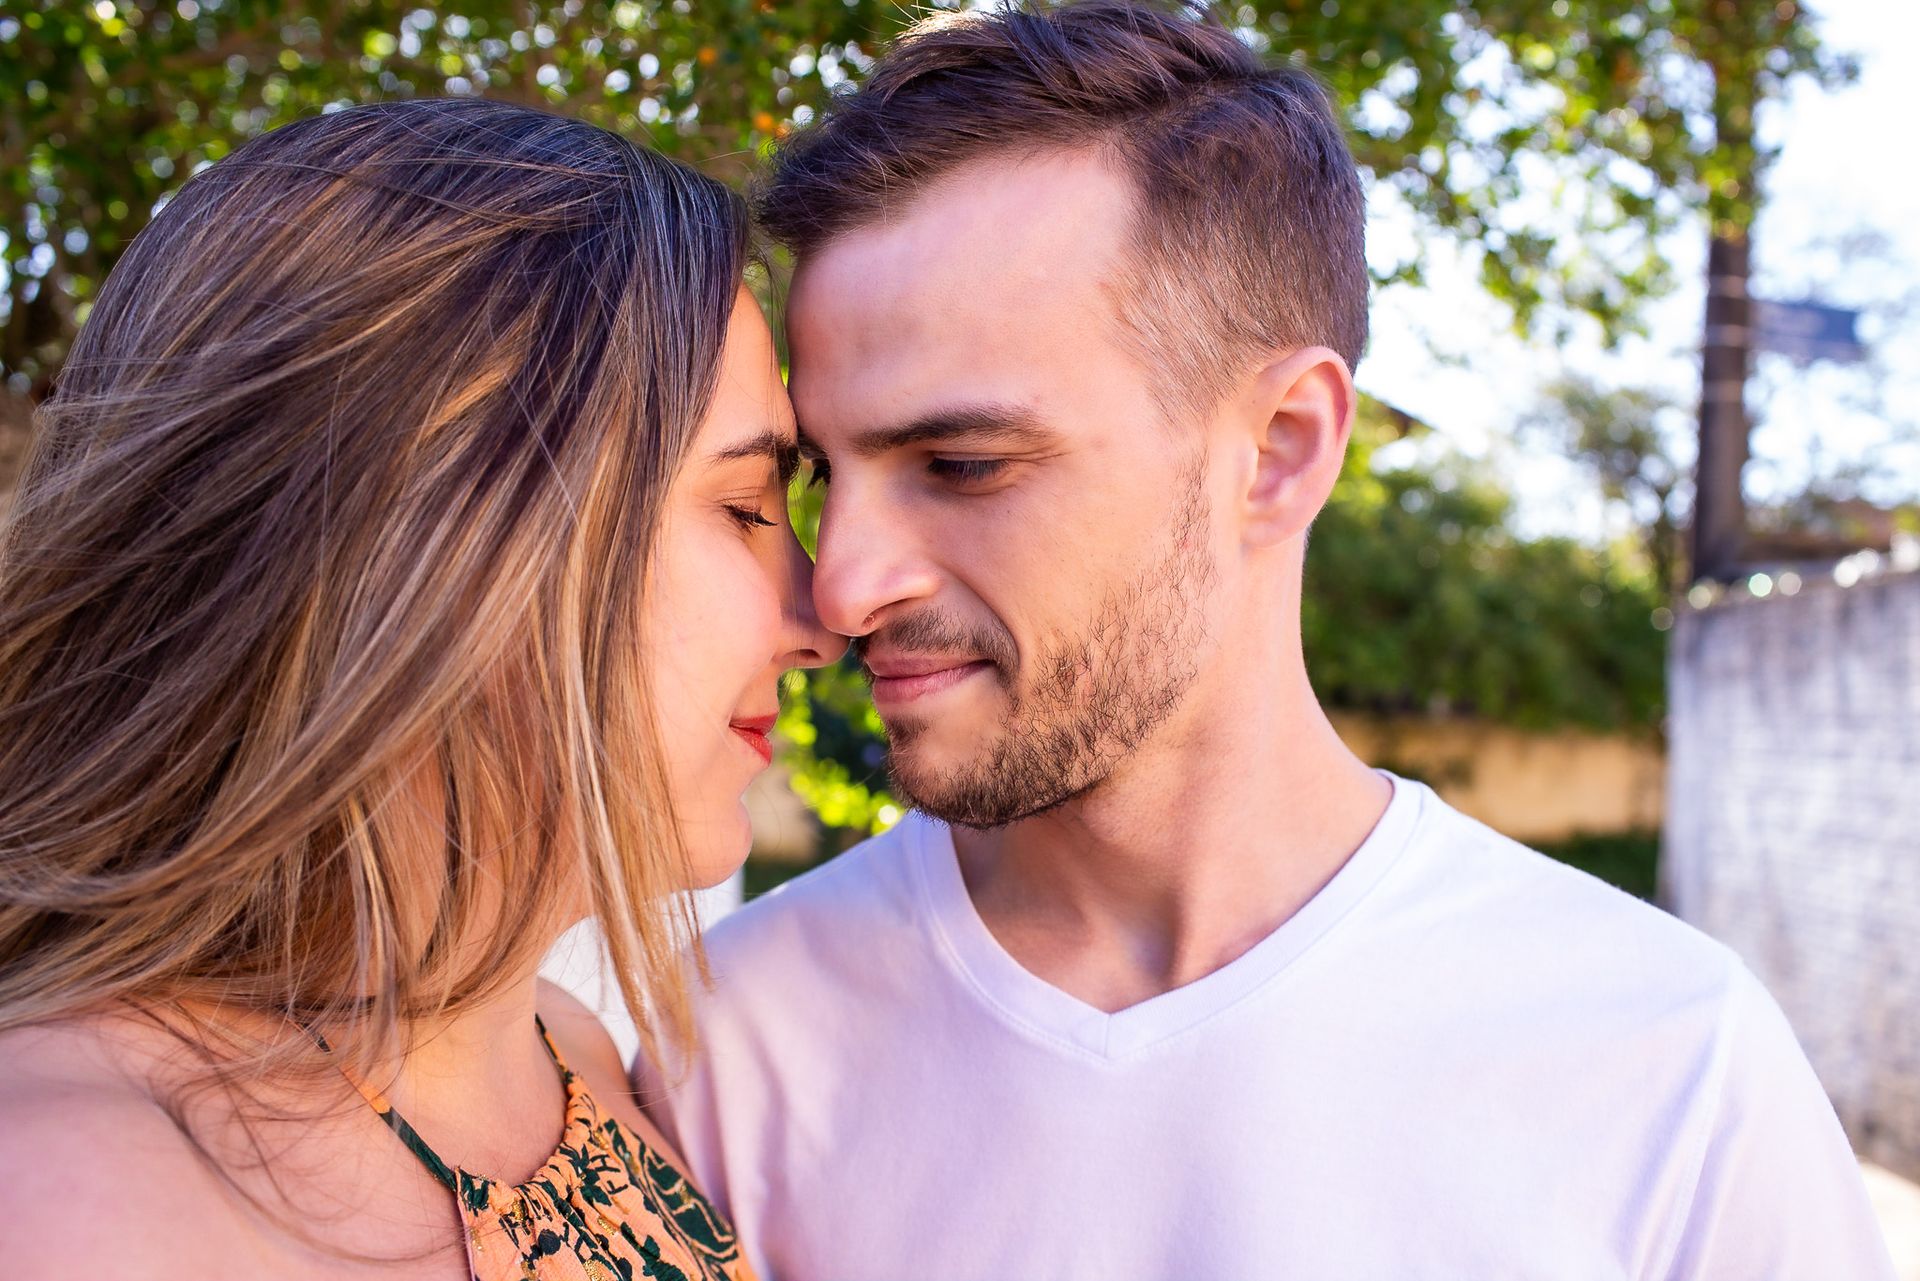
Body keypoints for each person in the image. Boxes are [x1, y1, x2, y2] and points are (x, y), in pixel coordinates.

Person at [633, 4, 1900, 1278]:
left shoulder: (1669, 1070)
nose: (841, 584)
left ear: (1282, 449)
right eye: (818, 480)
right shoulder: (728, 1050)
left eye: (960, 464)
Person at [0, 98, 840, 1279]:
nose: (826, 617)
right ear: (436, 537)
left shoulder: (574, 1058)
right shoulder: (73, 1200)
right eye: (747, 508)